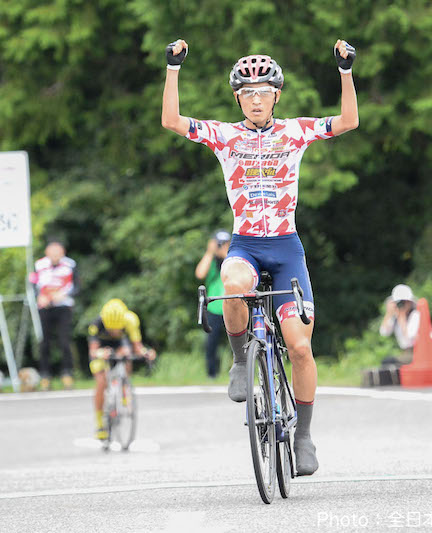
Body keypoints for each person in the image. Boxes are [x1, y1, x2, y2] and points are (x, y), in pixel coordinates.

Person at [162, 38, 359, 475]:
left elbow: (348, 121)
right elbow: (172, 120)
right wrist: (173, 68)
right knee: (231, 284)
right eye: (247, 92)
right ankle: (238, 361)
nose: (256, 98)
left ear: (277, 96)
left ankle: (304, 436)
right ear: (237, 97)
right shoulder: (225, 136)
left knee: (300, 346)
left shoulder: (295, 132)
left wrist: (345, 72)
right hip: (246, 245)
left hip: (287, 247)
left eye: (264, 91)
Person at [88, 298, 156, 440]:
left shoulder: (130, 320)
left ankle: (124, 387)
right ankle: (100, 423)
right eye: (111, 330)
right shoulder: (96, 325)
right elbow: (93, 351)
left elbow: (137, 346)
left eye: (117, 329)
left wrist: (146, 353)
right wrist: (101, 353)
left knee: (126, 354)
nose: (114, 332)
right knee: (101, 381)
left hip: (120, 345)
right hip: (101, 348)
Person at [30, 241, 78, 391]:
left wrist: (63, 294)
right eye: (52, 252)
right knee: (44, 342)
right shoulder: (39, 265)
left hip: (63, 306)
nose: (55, 255)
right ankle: (45, 376)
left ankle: (67, 374)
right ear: (47, 252)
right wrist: (39, 296)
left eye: (58, 252)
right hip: (45, 307)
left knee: (64, 341)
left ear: (62, 252)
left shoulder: (70, 265)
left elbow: (77, 286)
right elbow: (32, 283)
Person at [195, 229, 231, 378]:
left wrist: (225, 255)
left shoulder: (232, 260)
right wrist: (210, 252)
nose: (221, 246)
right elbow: (199, 274)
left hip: (231, 307)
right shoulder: (211, 261)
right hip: (214, 308)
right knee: (211, 343)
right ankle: (212, 373)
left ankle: (238, 370)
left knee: (237, 341)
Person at [379, 284, 420, 365]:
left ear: (410, 302)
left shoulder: (415, 315)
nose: (402, 305)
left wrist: (402, 318)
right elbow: (383, 333)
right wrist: (389, 314)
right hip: (406, 352)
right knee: (387, 362)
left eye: (404, 301)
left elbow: (410, 338)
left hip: (417, 351)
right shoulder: (395, 317)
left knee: (389, 362)